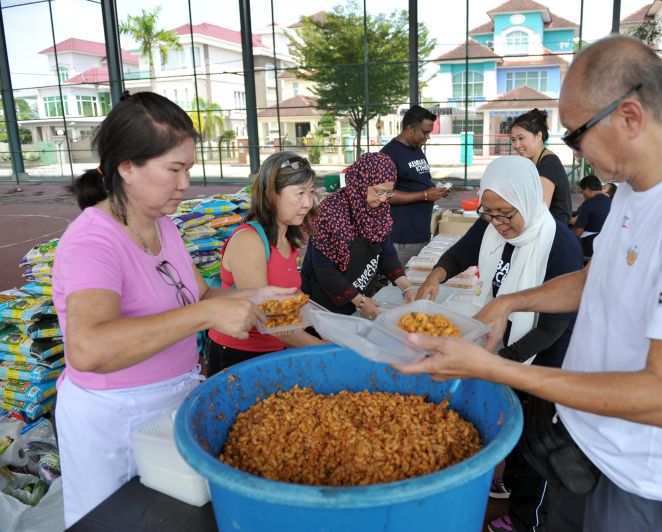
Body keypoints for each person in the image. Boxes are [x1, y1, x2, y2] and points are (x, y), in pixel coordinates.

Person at [396, 35, 662, 532]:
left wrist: (496, 368)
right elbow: (594, 279)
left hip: (637, 475)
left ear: (629, 116)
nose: (575, 153)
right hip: (581, 445)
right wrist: (509, 303)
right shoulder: (632, 189)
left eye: (576, 135)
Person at [52, 91, 293, 527]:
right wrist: (205, 317)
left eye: (189, 169)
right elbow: (88, 348)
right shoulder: (92, 242)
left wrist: (256, 296)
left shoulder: (163, 224)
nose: (185, 184)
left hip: (171, 406)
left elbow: (197, 297)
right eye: (174, 169)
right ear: (127, 167)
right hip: (116, 419)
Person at [415, 156, 582, 532]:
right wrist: (435, 277)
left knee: (535, 449)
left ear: (527, 200)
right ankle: (511, 489)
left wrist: (497, 363)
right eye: (489, 214)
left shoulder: (560, 245)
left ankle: (527, 520)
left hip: (544, 361)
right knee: (510, 429)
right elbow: (460, 253)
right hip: (505, 346)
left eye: (506, 214)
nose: (497, 223)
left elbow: (550, 329)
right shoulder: (491, 225)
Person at [205, 152, 324, 376]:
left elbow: (293, 297)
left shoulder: (287, 237)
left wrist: (326, 327)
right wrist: (322, 347)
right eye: (300, 193)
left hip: (275, 350)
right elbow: (267, 317)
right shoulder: (249, 240)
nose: (308, 203)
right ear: (271, 194)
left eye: (310, 192)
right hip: (238, 354)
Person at [301, 152, 416, 319]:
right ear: (362, 183)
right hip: (326, 303)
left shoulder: (378, 209)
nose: (383, 199)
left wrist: (406, 286)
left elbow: (386, 251)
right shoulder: (329, 214)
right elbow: (325, 271)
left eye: (389, 193)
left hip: (358, 294)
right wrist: (359, 301)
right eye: (379, 192)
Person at [381, 105, 449, 267]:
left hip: (421, 232)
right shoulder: (388, 155)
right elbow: (383, 194)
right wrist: (425, 195)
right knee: (404, 280)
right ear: (410, 128)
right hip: (402, 239)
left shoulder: (416, 148)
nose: (428, 137)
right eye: (425, 132)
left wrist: (435, 190)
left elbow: (417, 180)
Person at [510, 109, 572, 225]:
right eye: (513, 140)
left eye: (521, 138)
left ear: (538, 136)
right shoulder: (532, 163)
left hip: (554, 230)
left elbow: (539, 211)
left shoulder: (549, 163)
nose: (516, 145)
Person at [571, 174, 611, 259]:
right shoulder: (611, 202)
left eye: (582, 192)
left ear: (588, 190)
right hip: (608, 244)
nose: (582, 195)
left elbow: (578, 232)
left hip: (590, 246)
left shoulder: (588, 204)